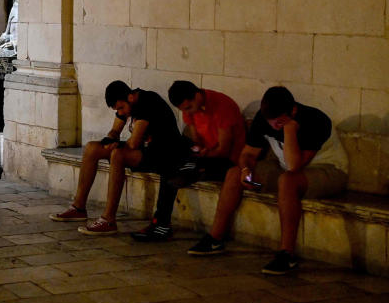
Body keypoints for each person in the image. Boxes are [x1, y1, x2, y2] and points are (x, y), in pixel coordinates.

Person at [188, 86, 349, 274]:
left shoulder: (315, 120)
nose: (274, 127)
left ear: (293, 111)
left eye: (279, 122)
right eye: (270, 122)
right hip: (286, 169)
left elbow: (294, 166)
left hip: (329, 170)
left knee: (287, 181)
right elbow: (247, 153)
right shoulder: (264, 118)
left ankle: (286, 255)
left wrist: (289, 130)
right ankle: (215, 238)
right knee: (234, 173)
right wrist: (247, 170)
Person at [51, 81, 185, 235]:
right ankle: (78, 207)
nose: (122, 112)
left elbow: (133, 143)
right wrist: (111, 139)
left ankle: (108, 219)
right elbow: (115, 130)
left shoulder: (148, 102)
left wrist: (115, 146)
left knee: (118, 154)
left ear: (130, 97)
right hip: (144, 150)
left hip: (163, 153)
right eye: (117, 109)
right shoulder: (126, 103)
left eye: (122, 108)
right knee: (92, 148)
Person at [132, 81, 246, 242]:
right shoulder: (190, 108)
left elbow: (224, 150)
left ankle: (188, 171)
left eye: (188, 108)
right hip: (205, 157)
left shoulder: (222, 106)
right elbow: (196, 139)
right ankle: (161, 225)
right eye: (183, 110)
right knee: (169, 164)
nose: (187, 113)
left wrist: (202, 154)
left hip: (227, 161)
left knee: (181, 167)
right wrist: (197, 149)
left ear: (197, 96)